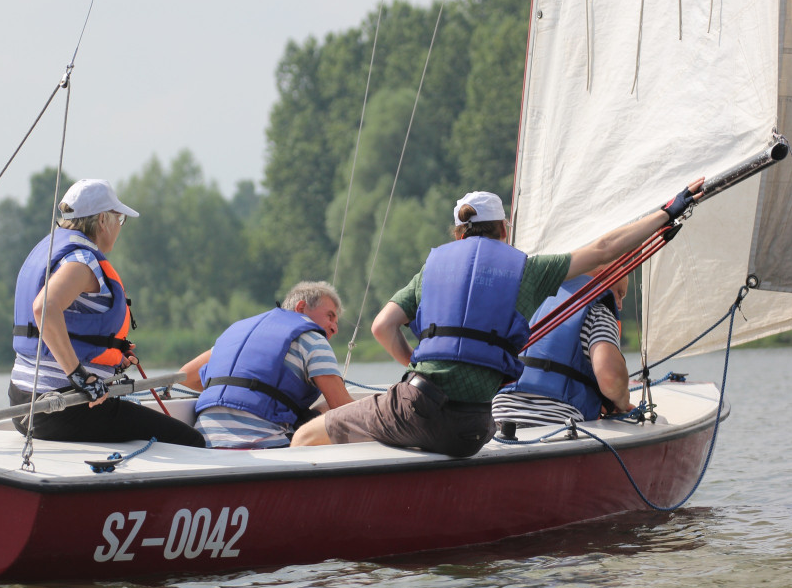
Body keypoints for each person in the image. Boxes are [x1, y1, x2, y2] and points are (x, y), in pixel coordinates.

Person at [291, 180, 703, 457]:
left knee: (307, 434)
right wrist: (667, 213)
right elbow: (604, 249)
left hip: (420, 408)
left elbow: (381, 327)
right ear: (505, 229)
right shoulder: (528, 271)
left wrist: (418, 364)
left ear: (458, 234)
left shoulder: (432, 270)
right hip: (472, 428)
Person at [9, 178, 204, 447]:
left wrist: (109, 355)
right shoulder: (82, 261)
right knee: (189, 440)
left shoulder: (52, 250)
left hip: (23, 402)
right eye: (119, 219)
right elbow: (44, 308)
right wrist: (80, 376)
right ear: (103, 220)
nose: (119, 227)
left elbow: (72, 326)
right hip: (63, 406)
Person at [178, 281, 354, 448]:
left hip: (205, 444)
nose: (334, 328)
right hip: (264, 445)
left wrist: (235, 391)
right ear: (301, 308)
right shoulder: (313, 339)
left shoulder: (237, 334)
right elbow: (343, 408)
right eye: (330, 316)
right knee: (328, 408)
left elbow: (185, 376)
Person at [492, 272, 633, 427]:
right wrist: (621, 401)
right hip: (556, 422)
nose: (619, 304)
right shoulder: (599, 313)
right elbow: (611, 380)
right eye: (619, 293)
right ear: (600, 277)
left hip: (498, 418)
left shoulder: (526, 302)